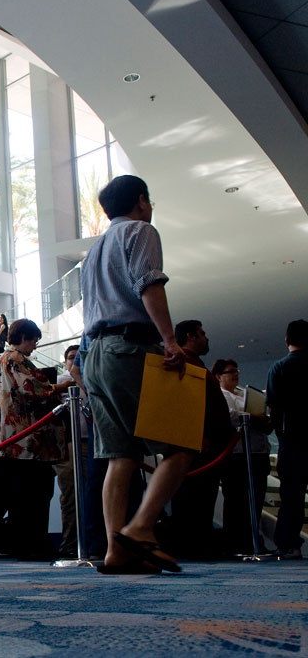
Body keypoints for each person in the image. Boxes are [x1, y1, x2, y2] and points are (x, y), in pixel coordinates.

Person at [80, 174, 194, 574]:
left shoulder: (93, 251)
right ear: (141, 201)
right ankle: (142, 528)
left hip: (94, 354)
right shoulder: (141, 230)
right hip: (129, 348)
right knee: (179, 448)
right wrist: (170, 340)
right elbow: (149, 285)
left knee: (120, 457)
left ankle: (116, 551)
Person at [0, 318, 69, 560]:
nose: (35, 346)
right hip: (28, 440)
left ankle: (29, 544)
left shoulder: (9, 360)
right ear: (24, 337)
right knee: (33, 495)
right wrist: (60, 387)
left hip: (22, 439)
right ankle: (32, 545)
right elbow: (31, 389)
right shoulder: (15, 359)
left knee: (28, 494)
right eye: (34, 340)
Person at [168, 320, 232, 559]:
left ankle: (196, 544)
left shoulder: (193, 362)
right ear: (190, 336)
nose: (206, 338)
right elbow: (185, 401)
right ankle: (192, 546)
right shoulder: (184, 361)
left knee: (200, 496)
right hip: (196, 442)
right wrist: (199, 434)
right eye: (202, 334)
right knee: (194, 496)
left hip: (202, 440)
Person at [212, 358, 271, 554]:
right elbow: (230, 416)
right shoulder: (220, 395)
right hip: (236, 455)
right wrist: (254, 418)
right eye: (231, 371)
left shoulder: (245, 393)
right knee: (236, 501)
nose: (236, 374)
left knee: (256, 498)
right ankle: (236, 542)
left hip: (257, 452)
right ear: (220, 376)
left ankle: (252, 540)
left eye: (237, 370)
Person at [268, 319, 308, 560]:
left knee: (292, 496)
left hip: (293, 441)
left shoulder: (279, 367)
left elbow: (275, 408)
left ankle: (289, 545)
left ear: (286, 341)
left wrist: (281, 437)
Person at [52, 344, 80, 558]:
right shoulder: (60, 382)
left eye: (79, 357)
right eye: (71, 357)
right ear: (65, 360)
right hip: (68, 445)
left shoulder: (91, 380)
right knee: (70, 495)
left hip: (91, 444)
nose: (75, 361)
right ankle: (69, 545)